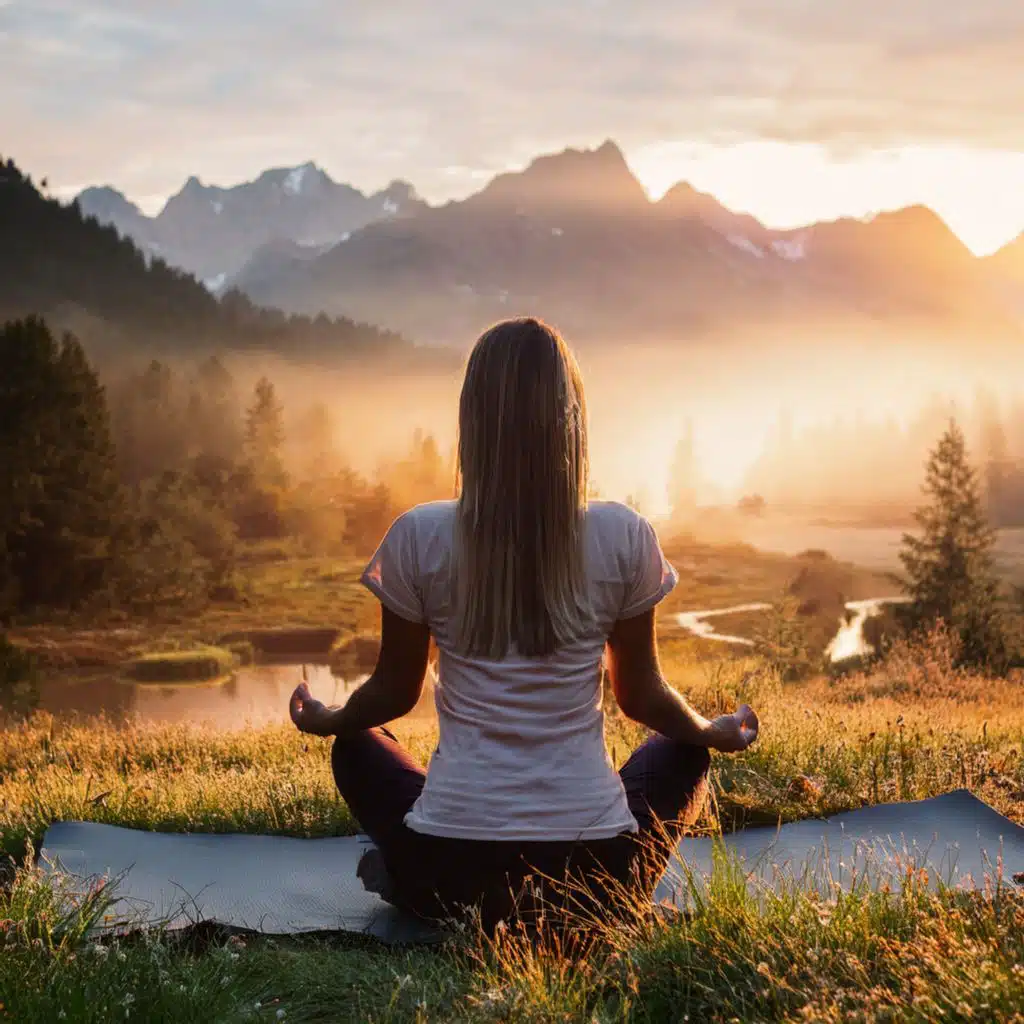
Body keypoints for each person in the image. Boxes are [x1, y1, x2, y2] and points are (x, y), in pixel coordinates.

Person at [289, 317, 759, 932]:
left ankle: (417, 883)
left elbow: (393, 694)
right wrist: (710, 731)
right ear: (572, 419)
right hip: (598, 874)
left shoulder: (419, 534)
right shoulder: (623, 533)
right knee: (683, 749)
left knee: (358, 747)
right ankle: (593, 897)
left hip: (450, 864)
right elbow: (640, 696)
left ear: (473, 419)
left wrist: (331, 720)